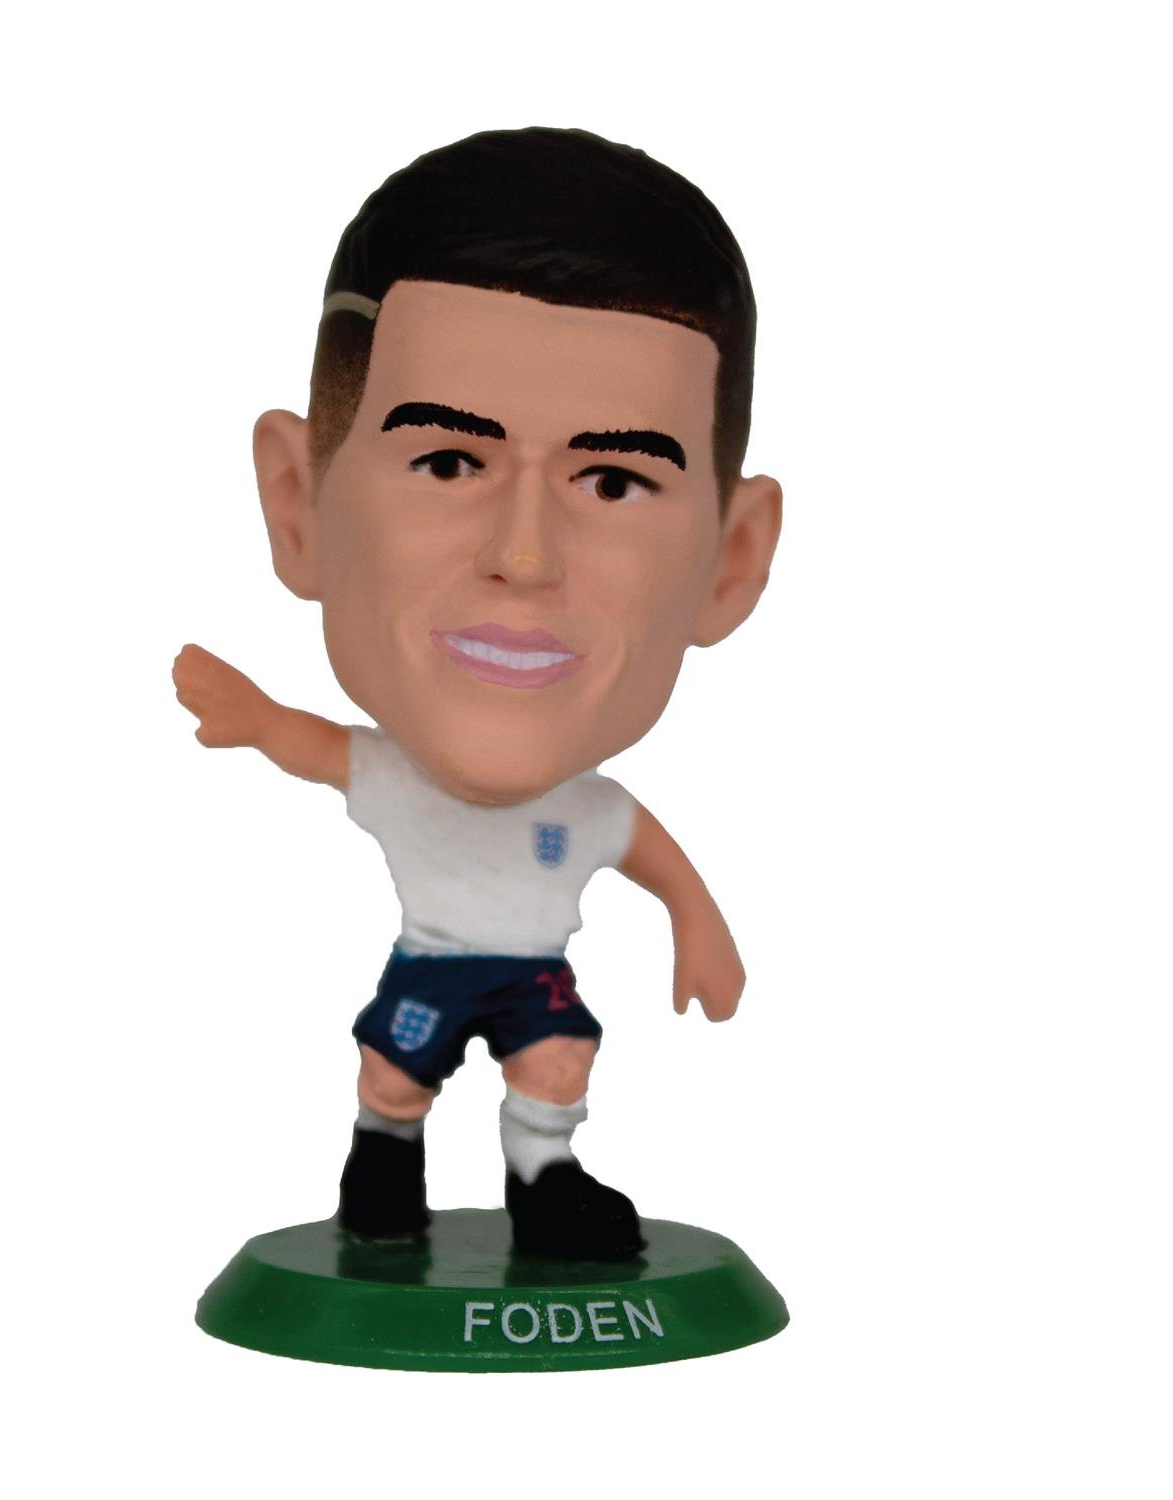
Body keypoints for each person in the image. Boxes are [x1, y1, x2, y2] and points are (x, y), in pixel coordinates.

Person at [173, 126, 782, 1260]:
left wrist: (697, 920)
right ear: (300, 507)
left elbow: (650, 856)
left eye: (613, 481)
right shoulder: (395, 778)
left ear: (731, 561)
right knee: (394, 1070)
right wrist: (253, 719)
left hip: (532, 973)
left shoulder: (589, 811)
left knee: (559, 1059)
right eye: (449, 462)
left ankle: (547, 1181)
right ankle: (382, 1157)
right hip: (432, 965)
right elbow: (318, 750)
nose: (526, 554)